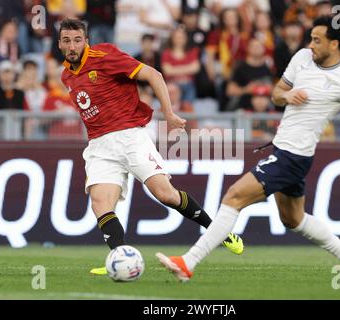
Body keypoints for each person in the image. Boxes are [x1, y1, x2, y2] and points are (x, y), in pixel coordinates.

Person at [156, 15, 340, 283]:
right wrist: (287, 96)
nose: (311, 45)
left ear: (334, 45)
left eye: (317, 40)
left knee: (234, 196)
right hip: (285, 151)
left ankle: (188, 262)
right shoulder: (302, 58)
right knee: (293, 219)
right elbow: (276, 93)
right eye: (311, 38)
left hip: (293, 157)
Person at [57, 18, 244, 275]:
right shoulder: (66, 75)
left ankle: (220, 231)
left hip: (130, 136)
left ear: (86, 41)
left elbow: (153, 74)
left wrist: (168, 112)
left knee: (165, 194)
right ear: (59, 44)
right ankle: (119, 257)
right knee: (100, 202)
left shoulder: (105, 55)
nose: (72, 45)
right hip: (100, 144)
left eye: (77, 40)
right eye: (66, 40)